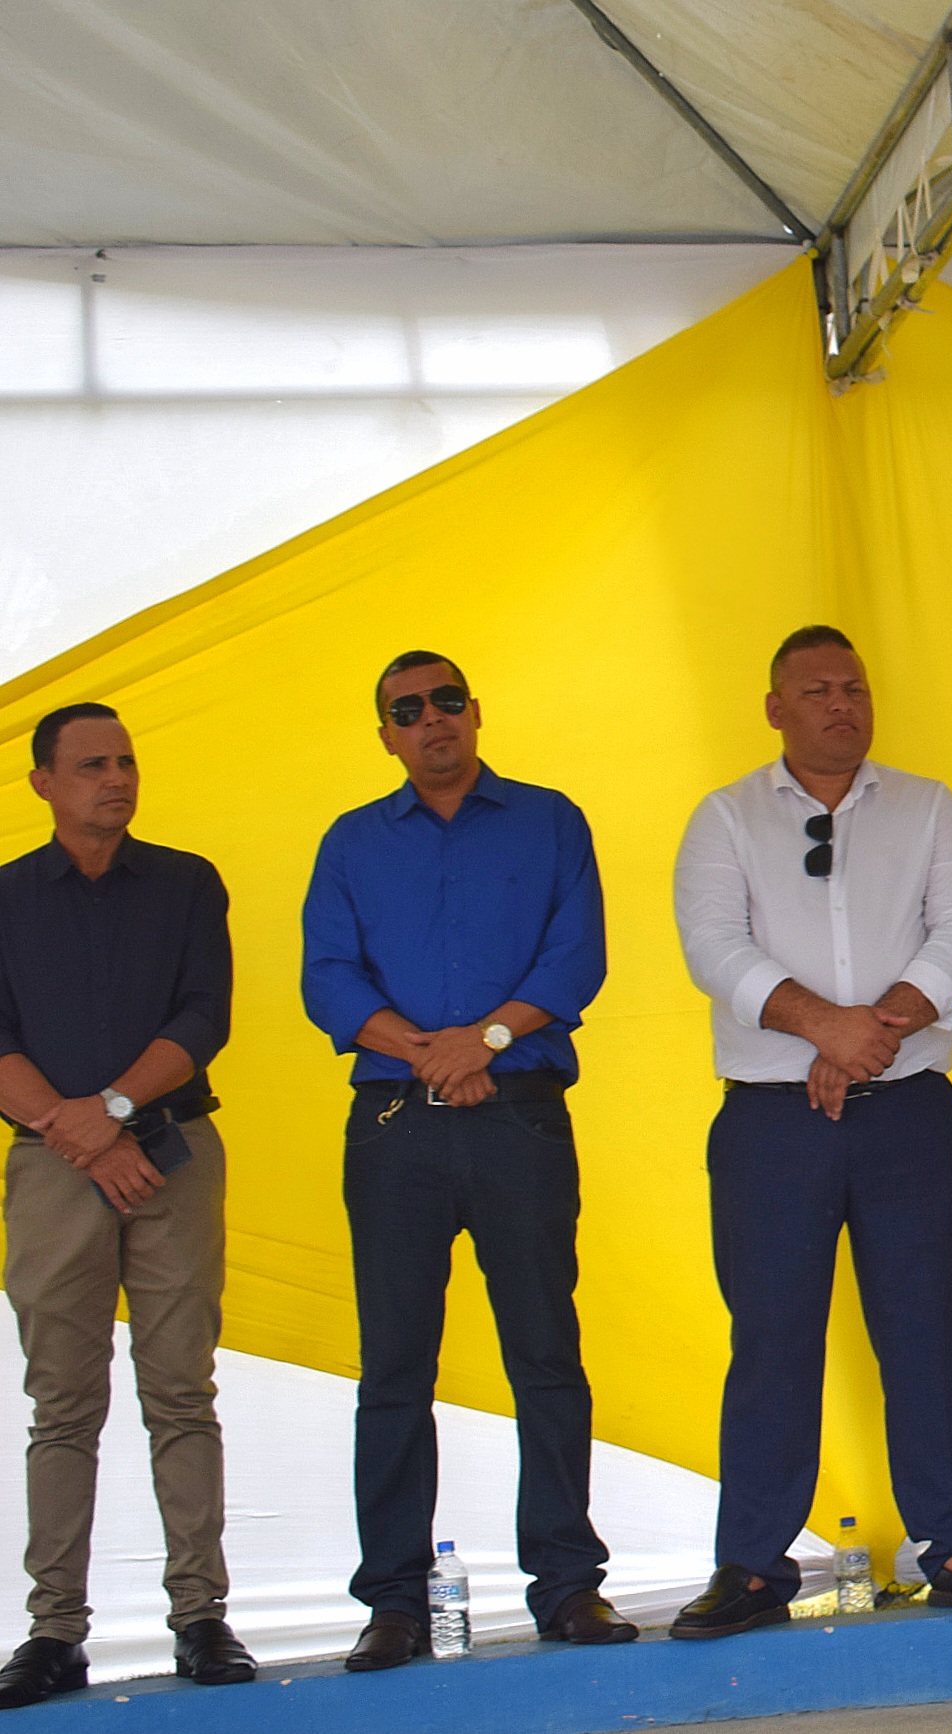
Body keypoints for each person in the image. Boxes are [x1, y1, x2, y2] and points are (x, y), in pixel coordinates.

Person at [672, 625, 952, 1637]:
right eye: (817, 690)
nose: (841, 704)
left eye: (854, 688)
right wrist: (824, 1028)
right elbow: (713, 946)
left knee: (926, 1328)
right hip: (771, 1124)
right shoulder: (725, 818)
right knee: (771, 1339)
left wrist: (872, 1032)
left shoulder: (929, 808)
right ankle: (752, 1565)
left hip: (907, 1114)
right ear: (774, 710)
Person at [302, 652, 633, 1670]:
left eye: (447, 700)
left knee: (545, 1353)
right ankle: (395, 1603)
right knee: (395, 1368)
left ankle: (567, 1587)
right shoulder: (352, 842)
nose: (432, 719)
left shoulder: (548, 820)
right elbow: (327, 980)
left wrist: (481, 1042)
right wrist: (433, 1054)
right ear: (386, 736)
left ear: (476, 712)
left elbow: (576, 957)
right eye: (408, 710)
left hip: (516, 1119)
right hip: (397, 1123)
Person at [0, 704, 251, 1705]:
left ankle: (201, 1616)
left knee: (181, 1391)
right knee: (63, 1404)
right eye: (93, 764)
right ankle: (54, 1632)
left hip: (168, 1153)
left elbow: (205, 1014)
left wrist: (107, 1114)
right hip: (54, 1165)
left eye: (127, 761)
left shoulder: (186, 882)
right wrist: (79, 1135)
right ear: (43, 783)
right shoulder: (6, 896)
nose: (117, 778)